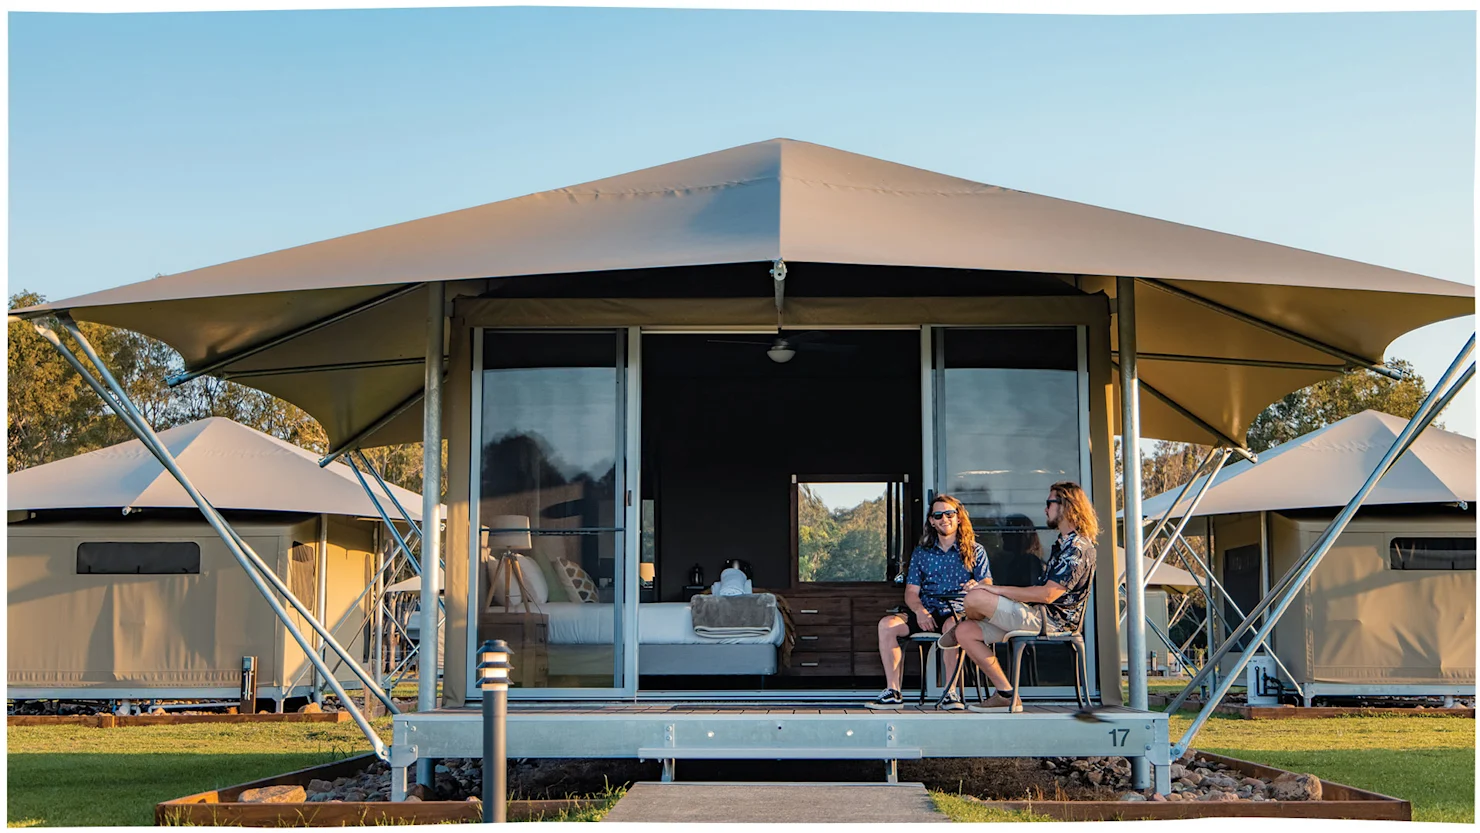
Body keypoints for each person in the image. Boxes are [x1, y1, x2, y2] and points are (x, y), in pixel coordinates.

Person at [941, 481, 1098, 713]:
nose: (1045, 509)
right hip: (1034, 613)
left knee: (974, 599)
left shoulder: (1078, 547)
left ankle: (974, 616)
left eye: (1049, 503)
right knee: (966, 631)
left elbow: (1048, 594)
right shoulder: (1062, 544)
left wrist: (997, 590)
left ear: (1066, 505)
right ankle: (1006, 694)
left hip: (1050, 620)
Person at [866, 495, 990, 711]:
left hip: (957, 610)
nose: (945, 519)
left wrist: (976, 585)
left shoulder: (974, 550)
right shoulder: (922, 553)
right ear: (931, 521)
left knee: (953, 627)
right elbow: (911, 592)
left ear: (958, 518)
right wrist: (920, 612)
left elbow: (987, 582)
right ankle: (893, 692)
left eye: (950, 514)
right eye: (938, 515)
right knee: (887, 625)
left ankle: (950, 692)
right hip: (927, 610)